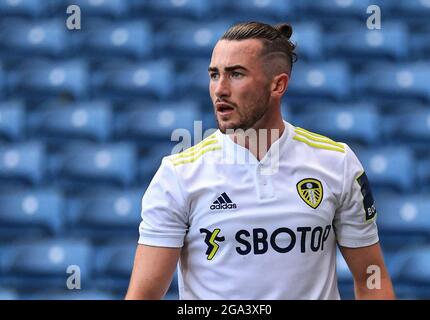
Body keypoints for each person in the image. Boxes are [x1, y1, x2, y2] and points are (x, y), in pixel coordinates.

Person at [125, 21, 395, 300]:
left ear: (278, 84)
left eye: (236, 74)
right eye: (214, 75)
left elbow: (371, 279)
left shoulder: (337, 162)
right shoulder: (178, 175)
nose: (220, 89)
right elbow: (143, 296)